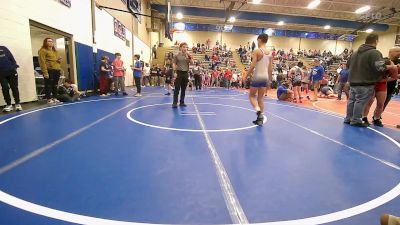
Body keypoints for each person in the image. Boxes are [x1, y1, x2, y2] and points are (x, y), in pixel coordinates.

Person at [344, 34, 398, 127]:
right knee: (360, 101)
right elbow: (380, 67)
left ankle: (348, 118)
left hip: (353, 82)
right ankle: (356, 120)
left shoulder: (355, 52)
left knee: (352, 101)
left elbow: (348, 65)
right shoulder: (374, 52)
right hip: (365, 82)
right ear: (376, 41)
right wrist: (392, 67)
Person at [243, 34, 272, 126]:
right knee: (260, 98)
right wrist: (270, 80)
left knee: (252, 96)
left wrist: (245, 76)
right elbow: (270, 68)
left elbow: (252, 65)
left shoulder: (257, 51)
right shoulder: (270, 53)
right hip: (265, 77)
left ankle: (258, 112)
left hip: (257, 76)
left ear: (259, 40)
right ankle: (260, 119)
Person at [363, 58, 398, 127]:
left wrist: (394, 70)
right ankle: (364, 117)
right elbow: (378, 79)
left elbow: (394, 77)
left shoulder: (390, 68)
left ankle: (376, 118)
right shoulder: (375, 68)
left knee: (381, 104)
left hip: (382, 86)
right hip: (372, 85)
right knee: (369, 102)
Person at [38, 38, 62, 105]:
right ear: (45, 42)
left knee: (55, 85)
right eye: (49, 41)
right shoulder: (42, 50)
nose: (51, 42)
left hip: (56, 70)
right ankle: (49, 99)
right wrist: (45, 72)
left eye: (52, 41)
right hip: (49, 70)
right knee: (48, 85)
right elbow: (42, 62)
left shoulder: (55, 51)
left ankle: (55, 98)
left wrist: (59, 60)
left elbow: (56, 61)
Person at [0, 45, 22, 112]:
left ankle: (17, 104)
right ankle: (9, 105)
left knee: (14, 87)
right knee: (5, 87)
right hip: (1, 73)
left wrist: (14, 67)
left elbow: (11, 58)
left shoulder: (3, 48)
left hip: (11, 71)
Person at [172, 42, 193, 108]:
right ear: (180, 48)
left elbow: (192, 63)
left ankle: (182, 102)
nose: (185, 48)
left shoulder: (188, 55)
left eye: (186, 47)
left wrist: (190, 57)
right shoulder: (176, 55)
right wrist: (174, 72)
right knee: (177, 88)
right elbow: (174, 64)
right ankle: (175, 103)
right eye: (184, 47)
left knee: (183, 89)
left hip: (185, 73)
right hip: (179, 73)